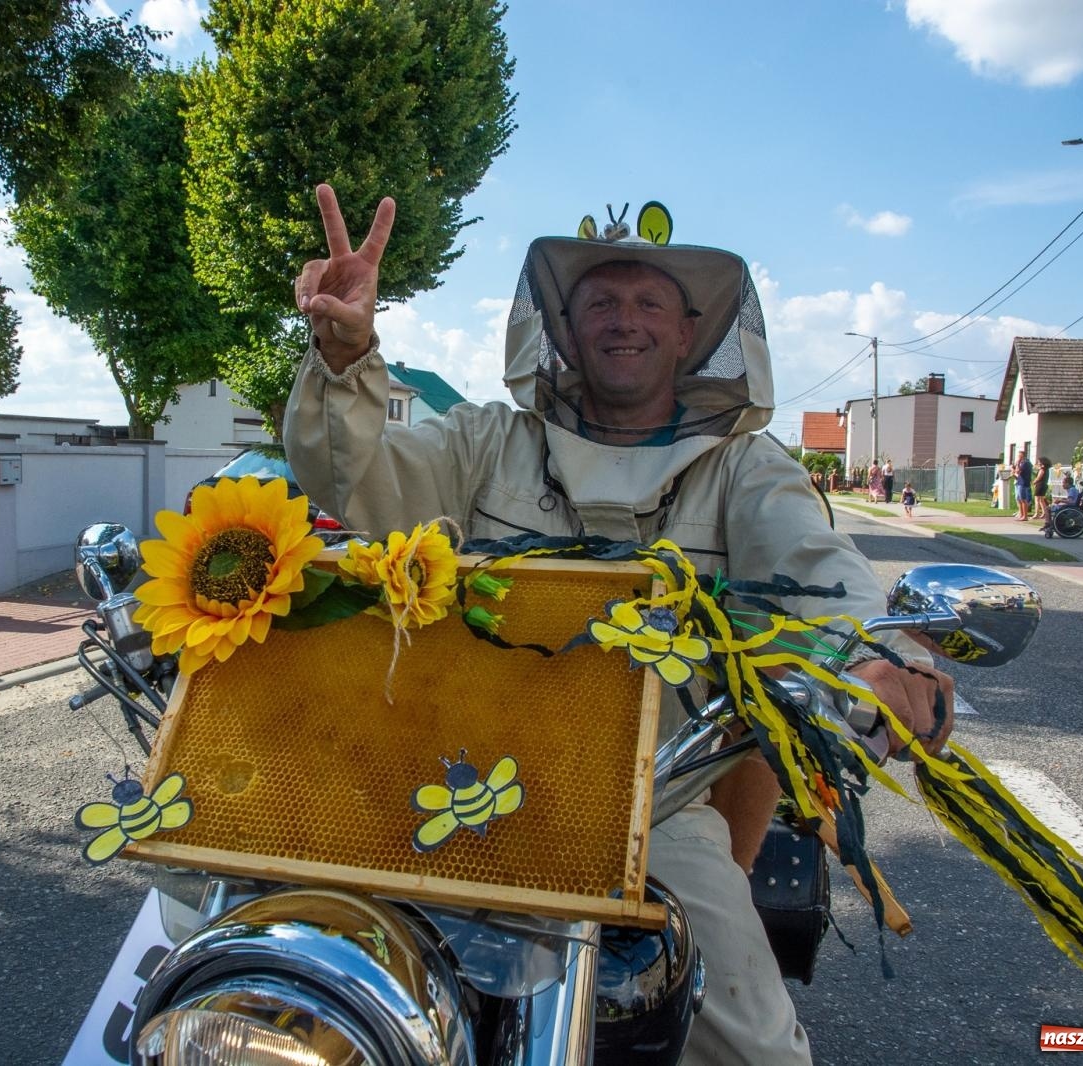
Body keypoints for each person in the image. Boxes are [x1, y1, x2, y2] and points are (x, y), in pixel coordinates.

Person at [286, 184, 956, 1065]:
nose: (623, 319)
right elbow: (358, 479)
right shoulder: (486, 441)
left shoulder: (744, 467)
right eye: (600, 300)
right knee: (289, 978)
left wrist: (881, 653)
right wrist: (347, 351)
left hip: (655, 805)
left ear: (690, 334)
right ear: (562, 329)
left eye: (649, 303)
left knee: (758, 1052)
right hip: (445, 776)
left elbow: (819, 574)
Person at [1014, 453, 1033, 521]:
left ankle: (1025, 516)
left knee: (1023, 499)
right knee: (1019, 499)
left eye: (1019, 456)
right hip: (1020, 482)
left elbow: (1018, 471)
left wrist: (1018, 463)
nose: (1018, 457)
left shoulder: (1025, 463)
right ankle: (1022, 515)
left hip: (1023, 483)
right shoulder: (1023, 463)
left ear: (1023, 456)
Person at [1032, 456, 1051, 520]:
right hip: (1044, 485)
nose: (1038, 463)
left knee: (1037, 500)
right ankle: (1044, 513)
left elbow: (1039, 477)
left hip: (1040, 485)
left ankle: (1037, 513)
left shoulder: (1042, 469)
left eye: (1039, 462)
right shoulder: (1046, 469)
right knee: (1041, 500)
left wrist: (1034, 482)